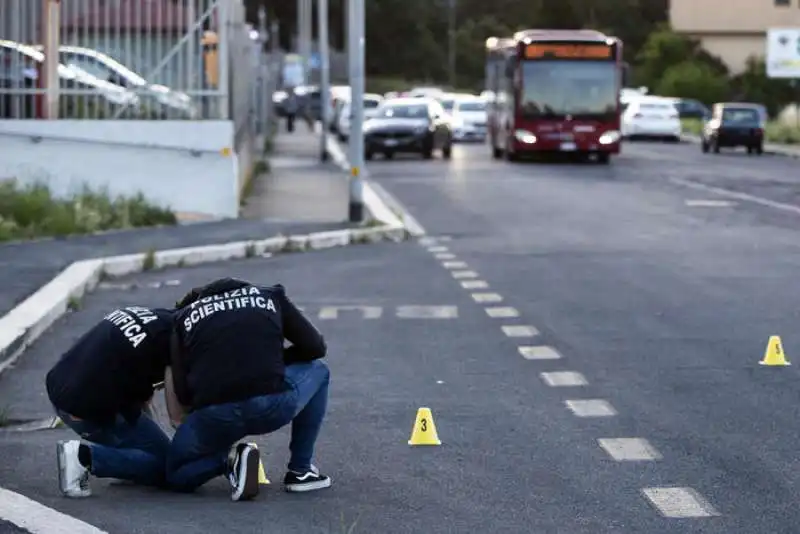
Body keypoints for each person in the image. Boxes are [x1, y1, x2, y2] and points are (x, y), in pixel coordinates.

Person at [165, 277, 331, 501]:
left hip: (213, 416)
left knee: (175, 475)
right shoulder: (271, 296)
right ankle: (300, 471)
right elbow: (315, 347)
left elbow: (183, 393)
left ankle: (229, 460)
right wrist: (271, 361)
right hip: (271, 405)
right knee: (319, 371)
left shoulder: (182, 318)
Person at [45, 305, 176, 498]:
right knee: (168, 466)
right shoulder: (172, 341)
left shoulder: (152, 316)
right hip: (86, 408)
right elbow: (144, 404)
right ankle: (84, 457)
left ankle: (126, 463)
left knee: (148, 444)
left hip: (60, 388)